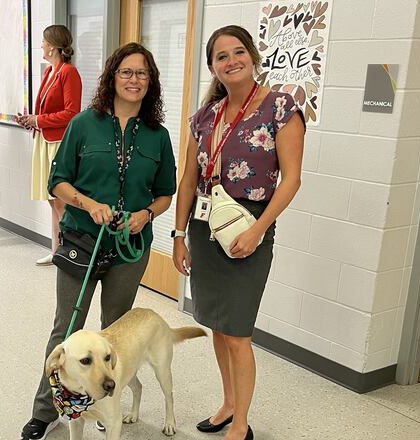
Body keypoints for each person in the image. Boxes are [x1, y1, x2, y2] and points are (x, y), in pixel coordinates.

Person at [21, 42, 177, 440]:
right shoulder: (84, 123)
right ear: (112, 77)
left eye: (142, 73)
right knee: (67, 328)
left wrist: (147, 215)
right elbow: (58, 180)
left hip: (130, 248)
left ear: (151, 82)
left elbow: (165, 192)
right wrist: (89, 204)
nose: (134, 79)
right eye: (126, 72)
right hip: (82, 241)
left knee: (113, 333)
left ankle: (105, 405)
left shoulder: (158, 135)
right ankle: (49, 410)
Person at [172, 25, 304, 440]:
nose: (231, 61)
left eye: (238, 52)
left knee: (239, 332)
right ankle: (228, 404)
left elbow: (292, 180)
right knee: (218, 324)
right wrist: (177, 235)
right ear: (213, 66)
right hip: (204, 225)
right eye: (221, 56)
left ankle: (242, 423)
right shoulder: (204, 116)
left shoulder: (281, 108)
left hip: (250, 227)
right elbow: (189, 180)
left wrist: (260, 231)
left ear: (252, 56)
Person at [16, 25, 82, 266]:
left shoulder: (68, 72)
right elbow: (46, 110)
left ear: (53, 46)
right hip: (44, 140)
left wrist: (39, 120)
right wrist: (31, 121)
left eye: (43, 42)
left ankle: (70, 252)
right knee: (52, 200)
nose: (41, 46)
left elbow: (72, 113)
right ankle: (56, 251)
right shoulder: (49, 72)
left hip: (59, 144)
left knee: (62, 201)